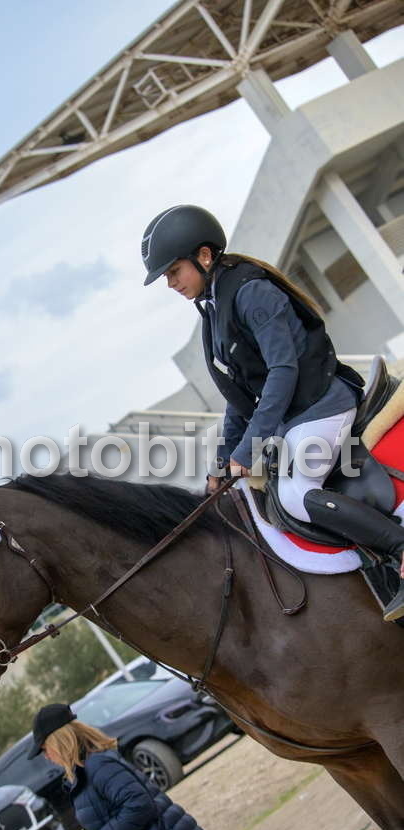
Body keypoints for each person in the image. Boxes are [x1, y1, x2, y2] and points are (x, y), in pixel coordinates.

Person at [141, 204, 404, 622]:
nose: (171, 283)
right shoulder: (213, 310)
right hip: (294, 420)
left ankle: (399, 547)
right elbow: (239, 396)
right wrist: (223, 462)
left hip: (322, 405)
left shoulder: (251, 292)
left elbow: (283, 371)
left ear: (204, 256)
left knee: (296, 495)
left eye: (174, 271)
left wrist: (249, 449)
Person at [27, 702, 249, 830]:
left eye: (45, 749)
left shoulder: (98, 766)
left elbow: (139, 805)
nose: (46, 756)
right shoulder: (85, 772)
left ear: (60, 741)